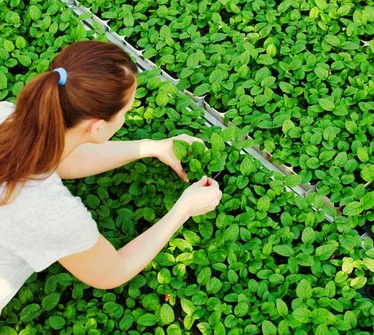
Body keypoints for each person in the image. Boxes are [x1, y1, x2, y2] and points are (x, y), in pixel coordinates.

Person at [0, 41, 222, 314]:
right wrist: (184, 208)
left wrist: (152, 147)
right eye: (126, 112)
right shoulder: (50, 213)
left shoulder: (6, 115)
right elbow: (112, 271)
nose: (126, 117)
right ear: (97, 127)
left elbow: (60, 159)